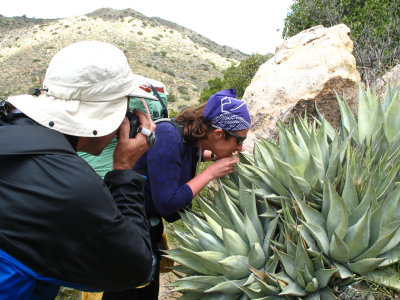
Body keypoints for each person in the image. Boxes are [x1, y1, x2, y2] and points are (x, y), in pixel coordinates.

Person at [0, 41, 157, 299]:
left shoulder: (10, 130)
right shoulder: (72, 189)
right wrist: (124, 169)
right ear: (104, 113)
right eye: (125, 110)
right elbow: (138, 268)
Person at [102, 88, 251, 299]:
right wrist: (209, 174)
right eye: (239, 140)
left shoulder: (187, 137)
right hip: (128, 233)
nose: (241, 148)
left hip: (145, 230)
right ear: (218, 134)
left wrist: (209, 156)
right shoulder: (168, 136)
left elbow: (180, 156)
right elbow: (167, 203)